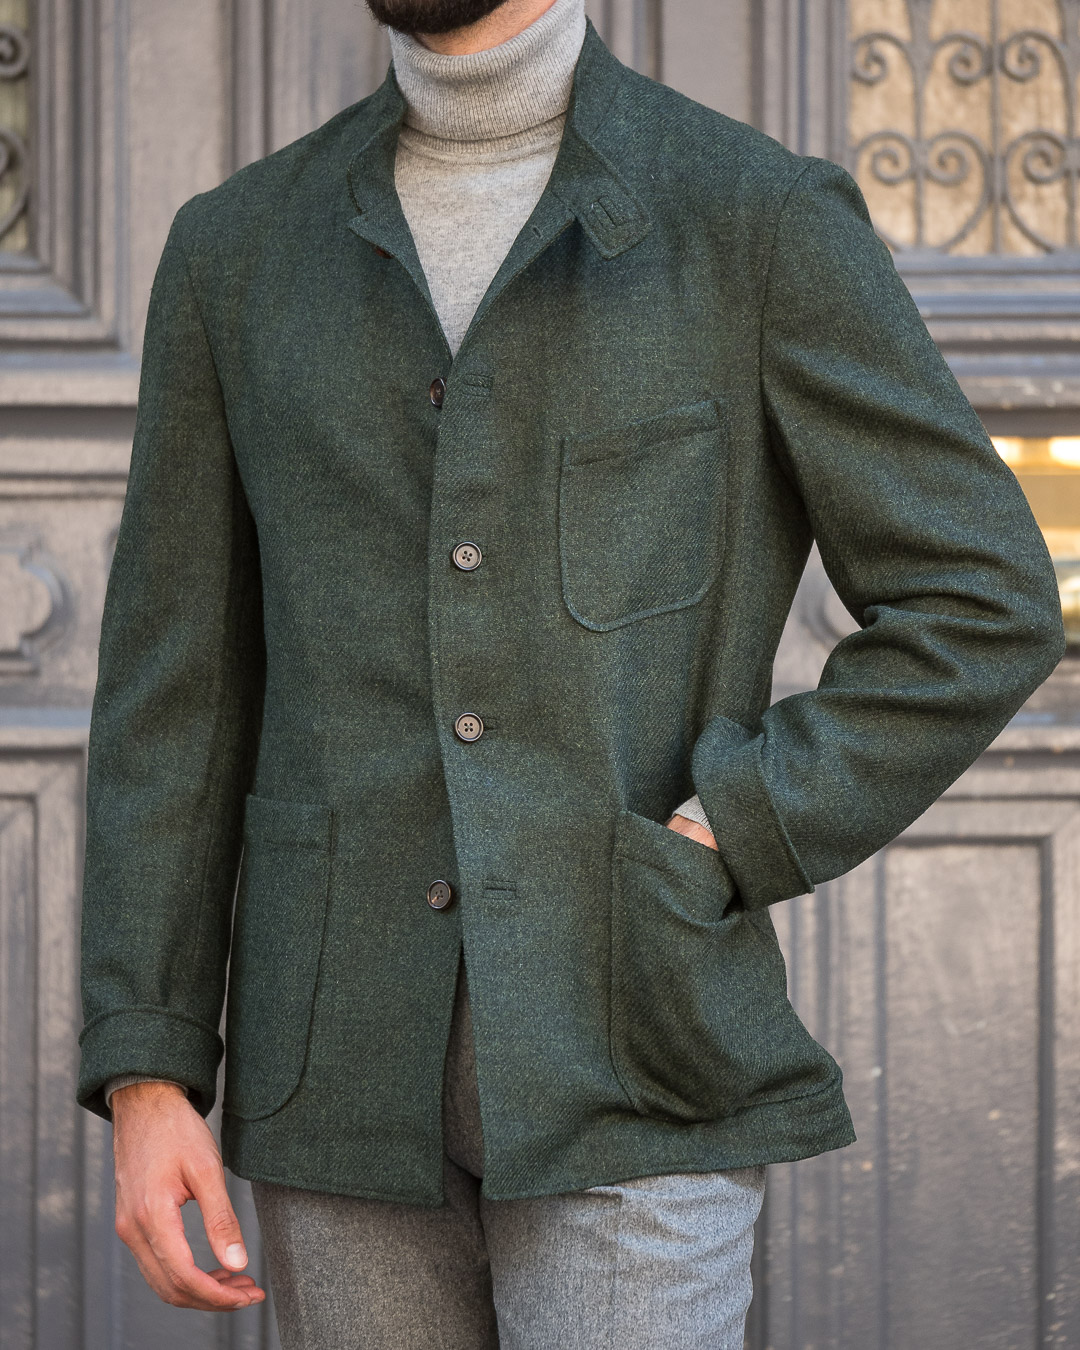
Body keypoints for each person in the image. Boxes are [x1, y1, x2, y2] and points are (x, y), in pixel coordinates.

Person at [74, 0, 1066, 1344]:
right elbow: (174, 696)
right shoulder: (238, 249)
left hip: (637, 1049)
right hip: (336, 1067)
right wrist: (147, 1066)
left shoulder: (754, 218)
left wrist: (738, 825)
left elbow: (984, 595)